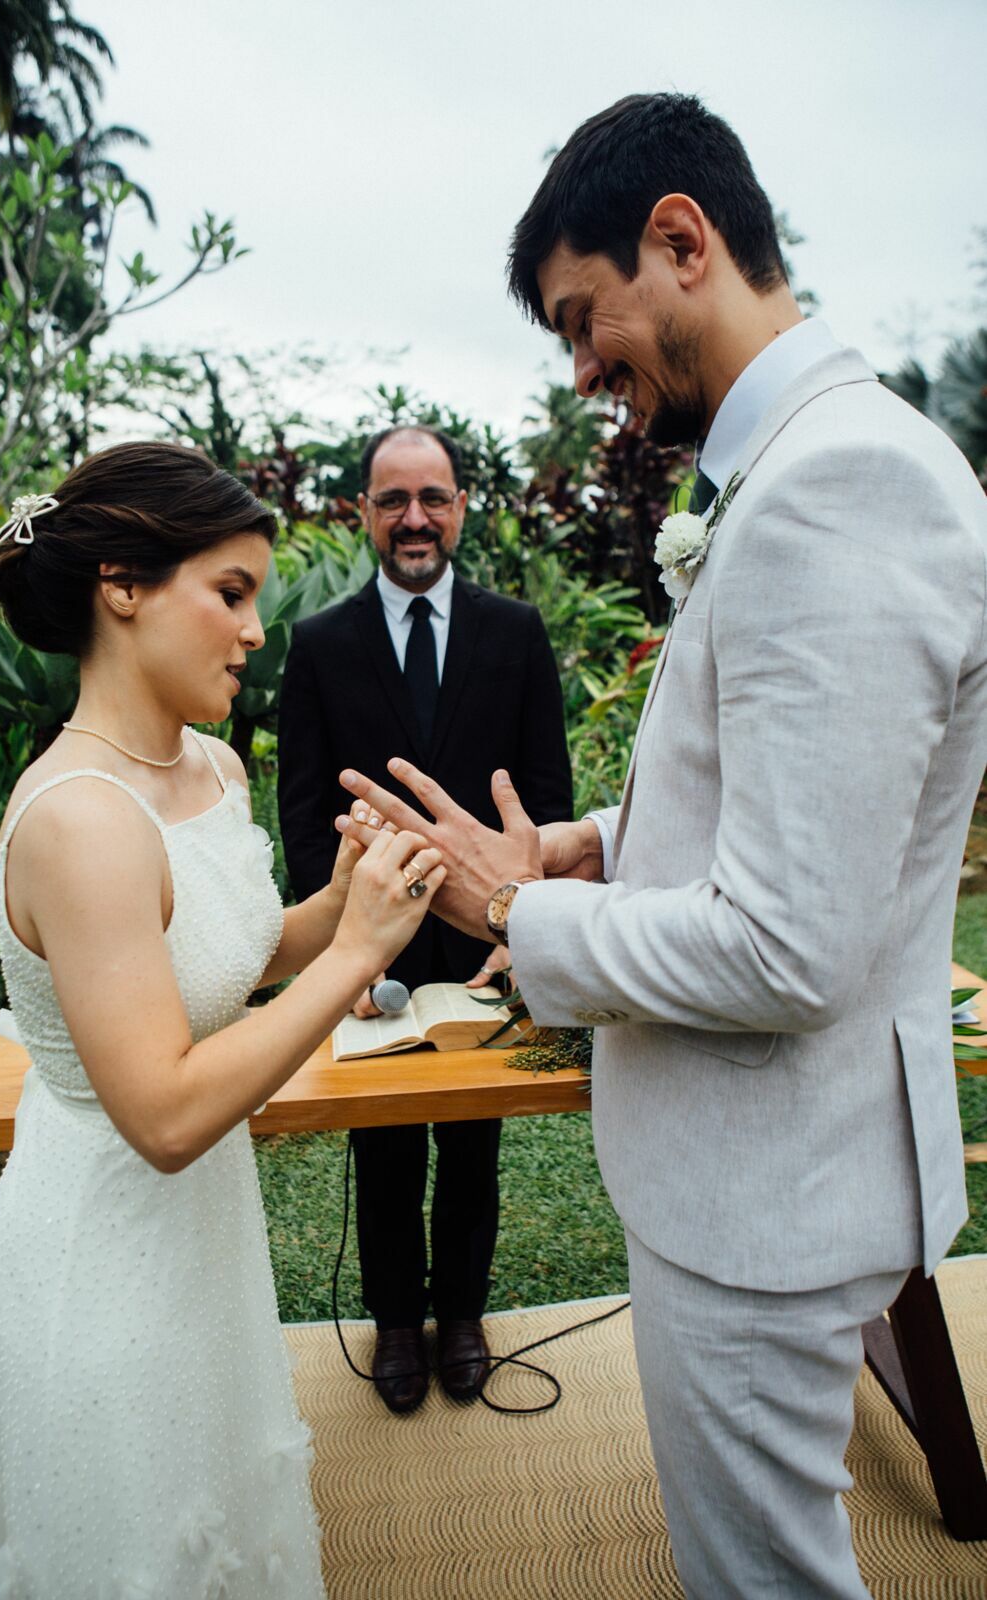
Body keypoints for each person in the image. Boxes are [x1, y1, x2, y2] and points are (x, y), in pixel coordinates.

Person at [333, 95, 987, 1598]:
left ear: (678, 239)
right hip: (772, 1166)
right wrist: (587, 840)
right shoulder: (812, 466)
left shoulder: (834, 489)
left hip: (768, 1191)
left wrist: (521, 913)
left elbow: (786, 942)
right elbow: (805, 803)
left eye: (582, 319)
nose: (578, 373)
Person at [0, 442, 445, 1599]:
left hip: (203, 1240)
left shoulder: (210, 768)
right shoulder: (81, 820)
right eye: (229, 592)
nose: (256, 629)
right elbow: (163, 1112)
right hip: (103, 1254)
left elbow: (233, 952)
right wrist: (359, 955)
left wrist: (341, 901)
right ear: (122, 584)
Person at [278, 424, 572, 1412]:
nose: (413, 517)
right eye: (392, 498)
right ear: (363, 511)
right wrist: (340, 951)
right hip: (374, 947)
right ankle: (395, 1322)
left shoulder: (515, 631)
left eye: (432, 497)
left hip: (485, 948)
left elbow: (542, 794)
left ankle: (461, 1318)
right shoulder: (318, 644)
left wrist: (519, 929)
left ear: (457, 507)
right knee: (385, 1144)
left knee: (473, 1146)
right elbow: (302, 806)